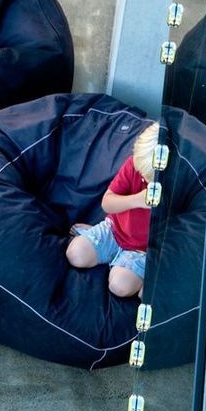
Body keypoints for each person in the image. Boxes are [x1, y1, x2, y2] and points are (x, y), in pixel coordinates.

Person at [66, 121, 158, 298]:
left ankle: (128, 265)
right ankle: (96, 237)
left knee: (119, 287)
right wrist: (136, 200)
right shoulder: (134, 166)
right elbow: (107, 203)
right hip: (114, 230)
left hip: (141, 251)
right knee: (75, 254)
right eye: (144, 175)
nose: (145, 180)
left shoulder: (176, 186)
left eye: (150, 178)